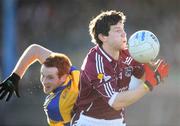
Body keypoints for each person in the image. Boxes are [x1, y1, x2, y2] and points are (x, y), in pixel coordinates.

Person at [71, 10, 169, 126]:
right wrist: (148, 85)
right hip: (89, 120)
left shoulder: (129, 53)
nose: (124, 34)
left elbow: (144, 76)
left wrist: (153, 71)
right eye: (118, 31)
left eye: (123, 29)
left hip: (117, 121)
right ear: (103, 37)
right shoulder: (95, 62)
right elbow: (115, 101)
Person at [0, 44, 80, 126]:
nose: (44, 81)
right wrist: (15, 77)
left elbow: (35, 50)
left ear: (63, 77)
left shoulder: (54, 107)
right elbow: (35, 50)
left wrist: (16, 76)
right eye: (42, 75)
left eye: (50, 77)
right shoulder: (73, 74)